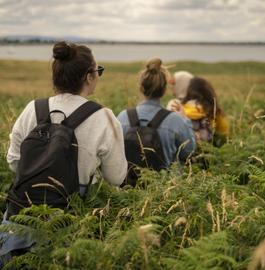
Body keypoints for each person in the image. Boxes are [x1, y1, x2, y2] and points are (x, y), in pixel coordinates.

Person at [0, 41, 127, 265]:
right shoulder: (104, 118)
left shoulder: (33, 108)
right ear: (89, 77)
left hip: (17, 218)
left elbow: (13, 162)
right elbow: (116, 178)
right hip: (67, 227)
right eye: (99, 71)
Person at [117, 58, 196, 185]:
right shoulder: (176, 120)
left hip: (128, 189)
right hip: (165, 190)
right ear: (164, 90)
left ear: (141, 88)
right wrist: (186, 119)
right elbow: (189, 152)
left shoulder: (123, 117)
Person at [167, 72, 229, 146]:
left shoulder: (176, 107)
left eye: (174, 84)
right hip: (210, 151)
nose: (171, 87)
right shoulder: (213, 109)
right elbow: (224, 134)